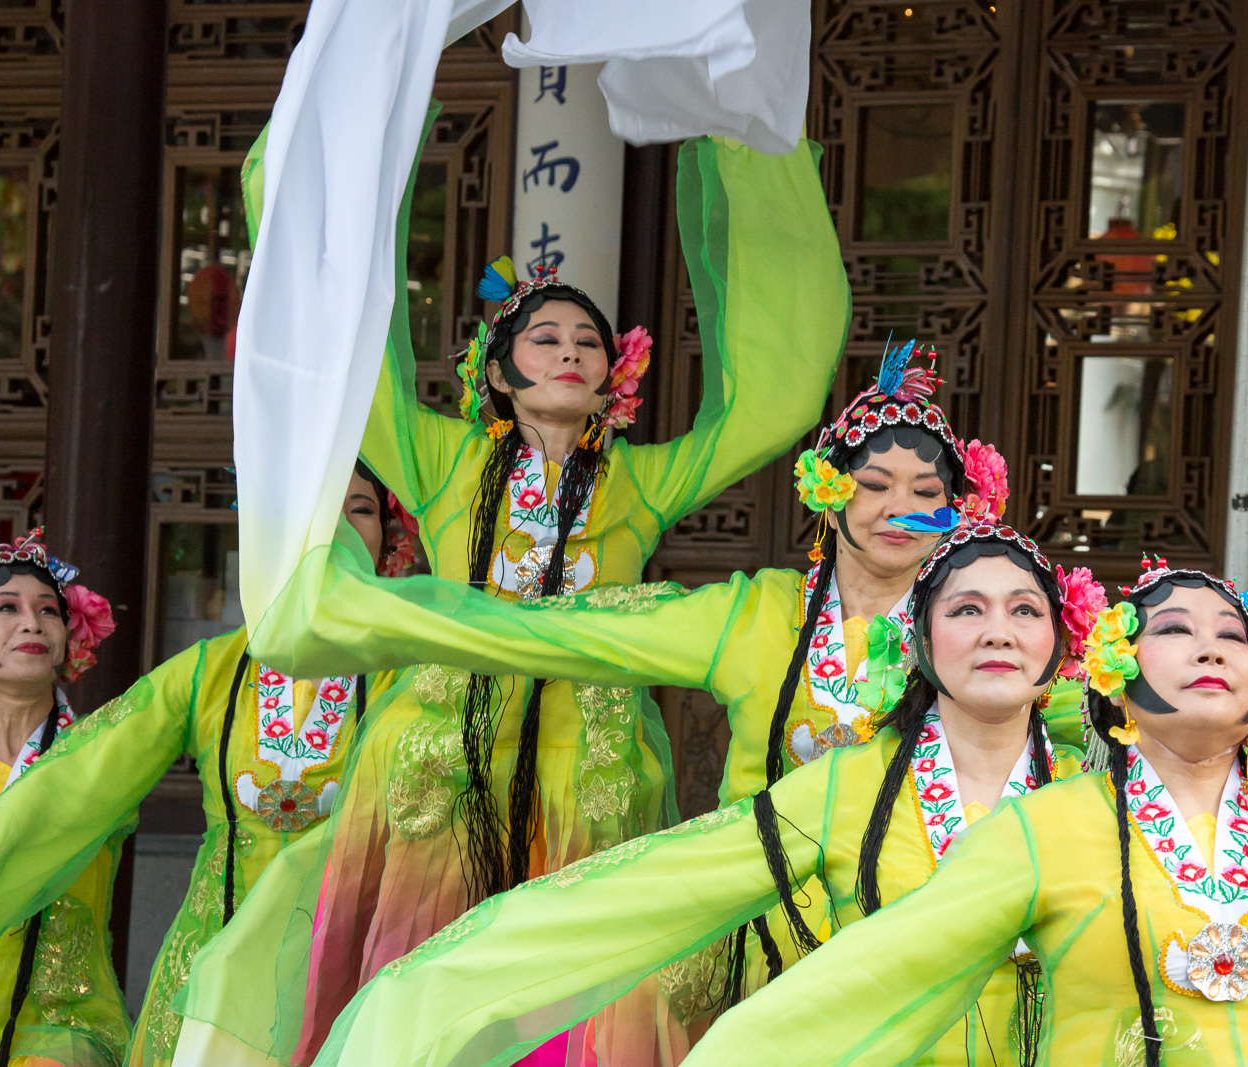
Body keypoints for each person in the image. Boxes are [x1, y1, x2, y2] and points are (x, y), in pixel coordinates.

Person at [173, 109, 849, 1066]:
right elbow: (347, 373)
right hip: (436, 752)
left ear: (615, 374)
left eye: (587, 340)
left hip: (593, 756)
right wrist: (329, 170)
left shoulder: (642, 480)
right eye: (544, 338)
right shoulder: (441, 459)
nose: (570, 350)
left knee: (573, 986)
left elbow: (768, 410)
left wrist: (754, 156)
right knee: (414, 976)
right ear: (497, 370)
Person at [282, 514, 1106, 1067]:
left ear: (1059, 643)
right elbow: (659, 882)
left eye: (1024, 609)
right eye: (967, 608)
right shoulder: (846, 787)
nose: (998, 628)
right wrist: (448, 977)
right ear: (920, 640)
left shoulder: (1098, 798)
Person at [666, 562, 1248, 1066]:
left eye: (1231, 634)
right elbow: (872, 975)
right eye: (1174, 630)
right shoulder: (1048, 827)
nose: (1210, 642)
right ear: (1117, 693)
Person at [0, 470, 404, 1067]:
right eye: (317, 509)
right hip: (214, 954)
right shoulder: (208, 671)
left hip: (351, 955)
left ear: (389, 539)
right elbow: (78, 782)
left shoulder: (408, 671)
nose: (338, 531)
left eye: (361, 511)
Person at [0, 530, 121, 1067]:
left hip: (57, 1018)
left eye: (50, 611)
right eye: (7, 608)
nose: (33, 622)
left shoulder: (99, 750)